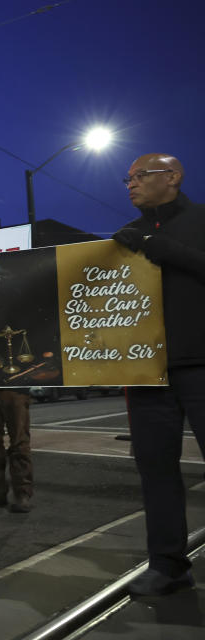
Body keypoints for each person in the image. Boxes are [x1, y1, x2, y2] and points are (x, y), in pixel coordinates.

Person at [112, 153, 205, 597]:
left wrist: (170, 252)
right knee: (155, 470)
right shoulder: (132, 237)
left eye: (138, 176)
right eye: (126, 179)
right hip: (148, 370)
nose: (129, 184)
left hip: (202, 364)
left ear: (172, 176)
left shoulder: (201, 220)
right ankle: (168, 564)